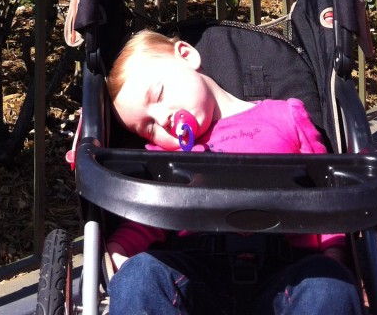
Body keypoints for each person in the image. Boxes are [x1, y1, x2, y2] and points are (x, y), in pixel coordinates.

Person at [105, 30, 363, 315]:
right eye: (148, 127)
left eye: (159, 94)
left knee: (329, 283)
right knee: (139, 275)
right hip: (197, 276)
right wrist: (119, 249)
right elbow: (146, 218)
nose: (162, 119)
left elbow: (326, 193)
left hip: (286, 271)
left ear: (187, 56)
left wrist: (335, 250)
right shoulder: (166, 158)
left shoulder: (284, 116)